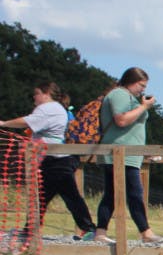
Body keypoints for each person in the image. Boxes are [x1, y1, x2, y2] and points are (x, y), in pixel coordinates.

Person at [0, 82, 97, 240]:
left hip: (57, 159)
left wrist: (4, 123)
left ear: (46, 94)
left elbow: (28, 121)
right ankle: (30, 229)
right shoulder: (57, 108)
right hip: (56, 159)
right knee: (43, 195)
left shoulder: (48, 108)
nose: (34, 97)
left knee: (67, 194)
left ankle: (89, 229)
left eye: (36, 93)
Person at [93, 67, 163, 245]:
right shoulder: (119, 95)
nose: (142, 89)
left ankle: (101, 231)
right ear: (131, 81)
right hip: (119, 154)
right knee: (135, 193)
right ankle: (146, 232)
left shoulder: (127, 97)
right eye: (141, 85)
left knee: (112, 194)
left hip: (126, 154)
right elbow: (121, 120)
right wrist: (144, 106)